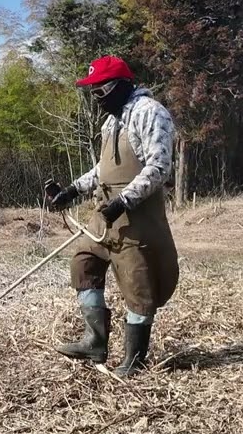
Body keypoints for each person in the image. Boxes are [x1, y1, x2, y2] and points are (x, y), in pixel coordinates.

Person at [44, 55, 180, 378]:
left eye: (99, 89)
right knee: (83, 263)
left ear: (119, 85)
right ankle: (95, 340)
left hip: (137, 218)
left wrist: (124, 201)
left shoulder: (150, 113)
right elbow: (102, 169)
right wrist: (72, 190)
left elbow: (159, 167)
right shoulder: (110, 122)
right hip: (105, 217)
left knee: (138, 284)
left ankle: (134, 359)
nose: (95, 97)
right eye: (91, 90)